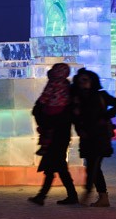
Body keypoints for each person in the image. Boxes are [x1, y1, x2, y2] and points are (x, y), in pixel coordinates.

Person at [71, 69, 116, 207]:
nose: (83, 83)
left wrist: (106, 117)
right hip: (87, 137)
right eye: (80, 80)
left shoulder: (100, 95)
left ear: (92, 81)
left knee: (93, 165)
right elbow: (76, 118)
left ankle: (89, 191)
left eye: (86, 79)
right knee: (93, 166)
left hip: (100, 136)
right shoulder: (77, 98)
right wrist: (80, 130)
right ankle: (102, 197)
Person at [28, 63, 78, 205]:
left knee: (56, 166)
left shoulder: (54, 86)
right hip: (59, 134)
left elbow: (41, 103)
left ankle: (44, 196)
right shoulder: (68, 89)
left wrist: (43, 120)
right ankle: (44, 196)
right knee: (56, 166)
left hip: (55, 135)